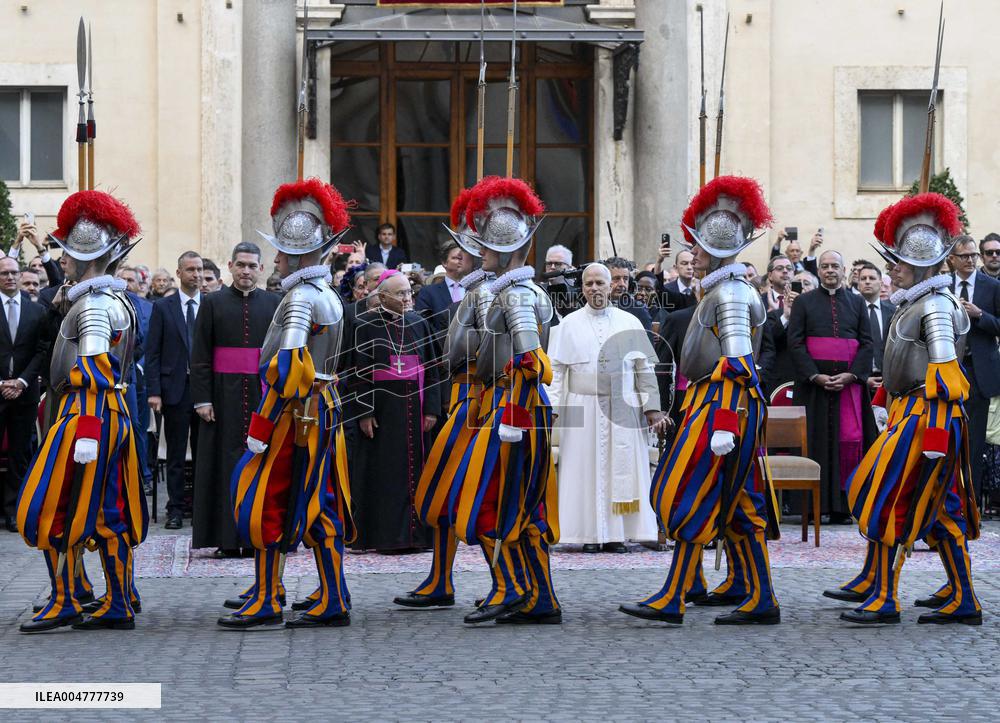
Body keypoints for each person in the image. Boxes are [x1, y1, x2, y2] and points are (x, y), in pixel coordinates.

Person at [621, 175, 780, 626]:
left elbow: (737, 365)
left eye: (698, 248)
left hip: (722, 410)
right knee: (740, 505)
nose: (694, 254)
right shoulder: (721, 289)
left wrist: (726, 424)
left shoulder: (728, 294)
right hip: (717, 405)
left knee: (690, 491)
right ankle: (758, 596)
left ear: (714, 250)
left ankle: (675, 595)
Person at [835, 192, 982, 626]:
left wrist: (935, 438)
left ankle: (884, 598)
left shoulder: (934, 305)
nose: (890, 267)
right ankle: (962, 596)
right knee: (938, 509)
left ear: (918, 263)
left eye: (897, 260)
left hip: (928, 421)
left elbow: (945, 376)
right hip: (912, 414)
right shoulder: (917, 301)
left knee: (887, 499)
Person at [220, 178, 355, 629]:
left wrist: (262, 422)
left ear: (297, 254)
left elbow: (287, 368)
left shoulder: (299, 297)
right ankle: (332, 594)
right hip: (322, 405)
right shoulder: (326, 293)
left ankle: (266, 599)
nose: (274, 257)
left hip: (295, 414)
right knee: (319, 500)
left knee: (268, 498)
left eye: (280, 251)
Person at [17, 190, 147, 632]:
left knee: (50, 506)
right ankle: (119, 599)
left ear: (84, 258)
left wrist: (87, 432)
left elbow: (92, 371)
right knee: (110, 510)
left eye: (68, 253)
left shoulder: (92, 304)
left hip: (86, 416)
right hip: (112, 414)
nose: (63, 260)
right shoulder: (115, 299)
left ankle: (67, 599)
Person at [452, 175, 561, 625]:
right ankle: (538, 597)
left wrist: (511, 414)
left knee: (502, 499)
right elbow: (459, 349)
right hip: (506, 402)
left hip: (515, 408)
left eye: (485, 248)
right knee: (518, 501)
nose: (480, 254)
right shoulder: (507, 289)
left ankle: (513, 588)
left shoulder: (516, 294)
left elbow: (531, 362)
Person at [395, 188, 493, 608]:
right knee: (441, 493)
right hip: (458, 398)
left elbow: (494, 357)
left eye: (468, 253)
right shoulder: (471, 293)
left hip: (484, 405)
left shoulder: (487, 296)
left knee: (482, 495)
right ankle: (441, 580)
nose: (461, 258)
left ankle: (509, 586)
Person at [548, 263, 665, 551]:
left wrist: (652, 408)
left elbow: (644, 369)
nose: (594, 288)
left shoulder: (630, 322)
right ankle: (588, 535)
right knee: (583, 471)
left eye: (600, 283)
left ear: (611, 285)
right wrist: (551, 410)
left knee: (619, 470)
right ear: (582, 288)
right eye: (589, 284)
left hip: (622, 407)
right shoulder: (566, 324)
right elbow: (556, 371)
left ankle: (616, 536)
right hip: (582, 408)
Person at [190, 242, 280, 557]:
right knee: (223, 464)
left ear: (261, 269)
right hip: (221, 397)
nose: (245, 271)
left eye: (252, 266)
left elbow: (282, 355)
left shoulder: (274, 303)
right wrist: (202, 399)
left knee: (263, 463)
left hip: (262, 396)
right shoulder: (212, 303)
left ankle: (259, 534)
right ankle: (227, 539)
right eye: (240, 265)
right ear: (230, 266)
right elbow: (200, 355)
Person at [349, 271, 441, 553]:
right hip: (383, 411)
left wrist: (432, 409)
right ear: (384, 297)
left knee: (419, 472)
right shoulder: (364, 325)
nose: (407, 298)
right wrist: (364, 412)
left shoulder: (419, 322)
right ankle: (387, 536)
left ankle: (418, 536)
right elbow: (358, 372)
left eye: (409, 292)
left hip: (416, 409)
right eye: (401, 294)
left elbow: (434, 368)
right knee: (384, 474)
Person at [787, 249, 877, 522]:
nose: (829, 270)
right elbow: (795, 342)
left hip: (848, 388)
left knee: (848, 444)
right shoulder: (803, 302)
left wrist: (851, 376)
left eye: (834, 266)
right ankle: (814, 507)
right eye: (824, 266)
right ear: (818, 270)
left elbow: (867, 343)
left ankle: (843, 507)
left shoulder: (857, 302)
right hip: (814, 389)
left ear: (843, 269)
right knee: (813, 443)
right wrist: (815, 376)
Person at [146, 251, 204, 529]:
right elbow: (153, 352)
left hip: (205, 392)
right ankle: (175, 509)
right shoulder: (163, 307)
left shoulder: (211, 305)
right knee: (176, 454)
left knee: (204, 452)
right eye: (190, 269)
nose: (196, 274)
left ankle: (203, 509)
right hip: (174, 390)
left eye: (199, 269)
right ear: (178, 273)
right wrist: (154, 391)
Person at [947, 235, 1000, 498]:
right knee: (946, 438)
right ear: (952, 259)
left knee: (975, 440)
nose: (970, 260)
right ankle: (946, 499)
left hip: (978, 372)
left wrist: (980, 315)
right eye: (964, 256)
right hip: (948, 369)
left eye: (972, 256)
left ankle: (971, 502)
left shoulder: (992, 287)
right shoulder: (943, 287)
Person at [0, 257, 47, 532]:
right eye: (4, 273)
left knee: (20, 454)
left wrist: (20, 381)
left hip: (24, 393)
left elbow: (41, 350)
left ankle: (13, 511)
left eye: (13, 273)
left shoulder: (35, 311)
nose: (9, 277)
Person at [414, 241, 473, 339]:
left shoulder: (475, 289)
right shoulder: (428, 292)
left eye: (462, 258)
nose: (460, 261)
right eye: (456, 258)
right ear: (444, 263)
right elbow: (423, 324)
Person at [856, 261, 896, 385]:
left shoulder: (893, 311)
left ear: (881, 283)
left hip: (889, 379)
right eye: (863, 279)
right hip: (859, 379)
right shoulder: (850, 311)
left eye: (872, 278)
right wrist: (861, 378)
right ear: (858, 284)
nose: (867, 281)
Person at [606, 257, 653, 331]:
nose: (622, 284)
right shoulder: (596, 307)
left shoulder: (639, 309)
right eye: (616, 278)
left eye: (625, 279)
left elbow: (646, 341)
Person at [541, 244, 582, 320]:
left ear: (569, 267)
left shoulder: (579, 291)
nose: (552, 267)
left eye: (558, 264)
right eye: (549, 264)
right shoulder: (540, 291)